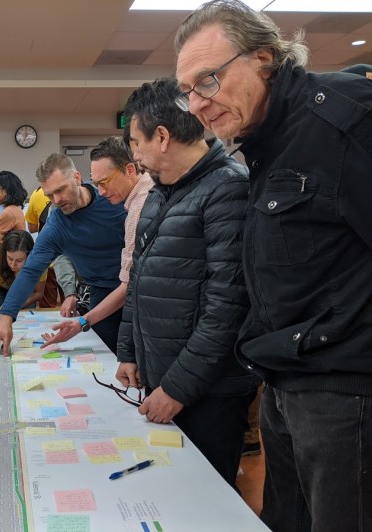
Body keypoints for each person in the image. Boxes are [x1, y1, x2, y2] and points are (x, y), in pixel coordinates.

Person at [174, 1, 372, 528]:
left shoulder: (345, 118)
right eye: (188, 90)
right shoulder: (265, 140)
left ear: (264, 57)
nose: (196, 103)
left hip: (344, 389)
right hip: (285, 382)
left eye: (208, 80)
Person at [115, 77, 256, 488]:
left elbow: (227, 307)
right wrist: (129, 352)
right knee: (168, 494)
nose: (136, 156)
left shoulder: (229, 189)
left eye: (136, 143)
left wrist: (176, 389)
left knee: (204, 501)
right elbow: (139, 277)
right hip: (164, 378)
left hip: (207, 394)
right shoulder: (162, 192)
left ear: (161, 137)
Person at [0, 153, 126, 356]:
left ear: (77, 178)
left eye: (61, 190)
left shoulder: (112, 198)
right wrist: (6, 316)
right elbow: (31, 270)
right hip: (101, 290)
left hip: (139, 286)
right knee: (110, 351)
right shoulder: (57, 224)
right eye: (50, 195)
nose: (57, 200)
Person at [41, 136, 153, 348]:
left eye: (104, 183)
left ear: (130, 170)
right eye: (96, 184)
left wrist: (83, 321)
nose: (100, 192)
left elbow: (129, 284)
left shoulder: (139, 207)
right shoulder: (140, 199)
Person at [0, 230, 46, 313]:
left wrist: (17, 304)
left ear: (29, 256)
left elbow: (38, 293)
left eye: (19, 260)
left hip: (25, 290)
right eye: (10, 258)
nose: (13, 265)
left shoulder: (38, 260)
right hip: (1, 288)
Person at [24, 186, 63, 307]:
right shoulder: (71, 188)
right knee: (73, 301)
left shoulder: (37, 194)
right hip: (71, 255)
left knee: (47, 303)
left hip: (49, 258)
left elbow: (32, 227)